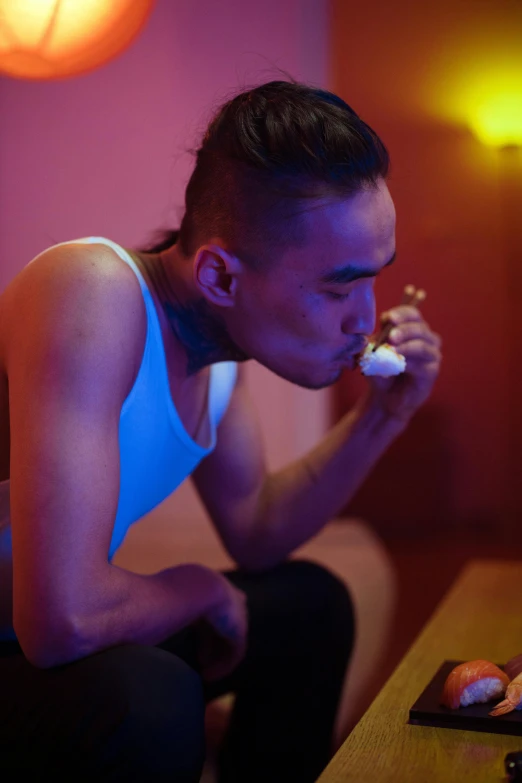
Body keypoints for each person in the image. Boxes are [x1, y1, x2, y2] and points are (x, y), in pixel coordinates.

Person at [0, 80, 441, 782]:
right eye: (337, 287)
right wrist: (199, 588)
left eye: (373, 280)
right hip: (29, 632)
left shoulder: (218, 354)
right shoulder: (90, 290)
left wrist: (383, 414)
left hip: (24, 635)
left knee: (308, 604)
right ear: (221, 276)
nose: (365, 317)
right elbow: (63, 618)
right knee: (148, 696)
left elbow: (258, 529)